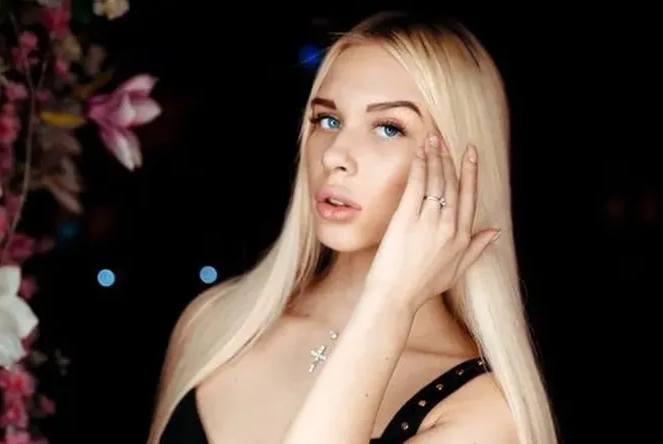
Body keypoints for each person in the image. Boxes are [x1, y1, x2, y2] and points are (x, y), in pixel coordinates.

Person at [147, 10, 558, 444]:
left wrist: (390, 304)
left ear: (460, 164)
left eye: (388, 128)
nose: (334, 155)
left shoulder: (485, 415)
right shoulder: (214, 322)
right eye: (328, 120)